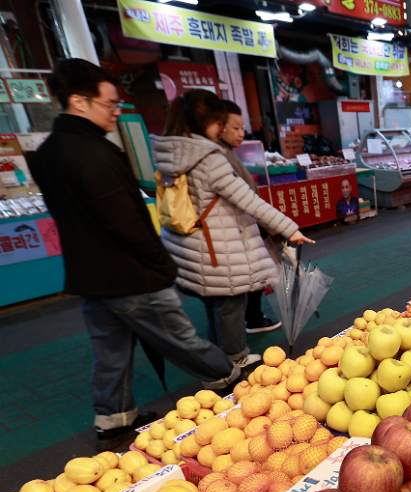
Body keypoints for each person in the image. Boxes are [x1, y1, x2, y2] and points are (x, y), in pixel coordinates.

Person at [28, 59, 241, 451]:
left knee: (110, 353)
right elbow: (124, 222)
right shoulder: (91, 152)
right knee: (180, 337)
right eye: (109, 104)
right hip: (129, 273)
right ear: (79, 101)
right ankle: (233, 382)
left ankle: (114, 424)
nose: (116, 111)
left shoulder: (47, 151)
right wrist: (162, 266)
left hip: (90, 278)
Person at [151, 89, 313, 370]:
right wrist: (289, 228)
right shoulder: (209, 159)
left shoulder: (171, 153)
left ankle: (219, 355)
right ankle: (235, 358)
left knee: (212, 302)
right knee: (229, 304)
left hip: (189, 243)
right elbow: (248, 200)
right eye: (219, 122)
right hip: (217, 247)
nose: (222, 129)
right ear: (204, 122)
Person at [219, 100, 281, 336]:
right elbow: (243, 198)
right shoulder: (218, 157)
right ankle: (241, 337)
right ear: (218, 126)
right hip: (238, 231)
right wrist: (269, 225)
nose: (241, 133)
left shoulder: (225, 153)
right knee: (242, 285)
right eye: (235, 127)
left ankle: (251, 319)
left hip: (245, 227)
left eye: (242, 127)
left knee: (252, 278)